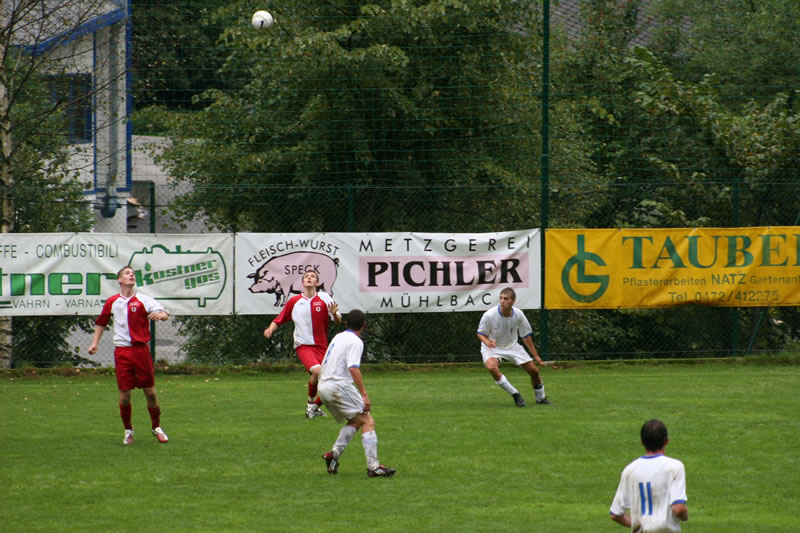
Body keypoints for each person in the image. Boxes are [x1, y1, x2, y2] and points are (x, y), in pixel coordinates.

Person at [87, 265, 170, 445]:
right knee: (124, 396)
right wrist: (95, 343)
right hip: (122, 352)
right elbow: (101, 322)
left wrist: (160, 315)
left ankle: (156, 427)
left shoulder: (143, 300)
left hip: (141, 351)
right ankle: (128, 430)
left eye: (132, 273)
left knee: (150, 393)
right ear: (119, 280)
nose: (131, 275)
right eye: (127, 273)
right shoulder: (112, 301)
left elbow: (165, 314)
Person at [318, 309, 396, 478]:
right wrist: (364, 394)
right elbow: (353, 368)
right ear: (364, 325)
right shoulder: (355, 341)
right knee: (368, 419)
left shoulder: (338, 337)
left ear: (346, 323)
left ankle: (334, 455)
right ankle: (373, 467)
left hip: (323, 386)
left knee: (356, 420)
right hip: (338, 385)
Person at [264, 270, 342, 418]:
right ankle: (310, 405)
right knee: (318, 372)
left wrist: (335, 314)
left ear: (317, 283)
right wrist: (270, 329)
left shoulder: (325, 298)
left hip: (322, 347)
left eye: (312, 276)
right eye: (306, 276)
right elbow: (279, 319)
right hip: (303, 345)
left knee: (334, 381)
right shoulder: (294, 301)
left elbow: (337, 321)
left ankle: (315, 407)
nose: (309, 278)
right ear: (302, 282)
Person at [610, 419, 689, 532]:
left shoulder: (630, 470)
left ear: (642, 442)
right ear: (666, 441)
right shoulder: (674, 467)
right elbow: (679, 509)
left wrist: (640, 524)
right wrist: (685, 516)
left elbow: (615, 514)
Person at [476, 287, 550, 407]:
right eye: (501, 298)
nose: (502, 301)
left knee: (534, 371)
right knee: (492, 368)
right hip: (492, 347)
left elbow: (526, 336)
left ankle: (541, 398)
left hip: (512, 346)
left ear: (513, 301)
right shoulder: (489, 315)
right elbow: (480, 333)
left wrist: (535, 355)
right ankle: (515, 394)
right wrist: (487, 342)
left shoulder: (519, 315)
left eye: (506, 299)